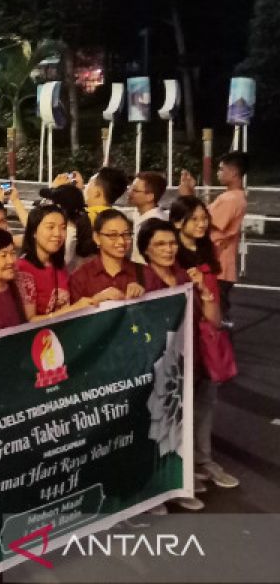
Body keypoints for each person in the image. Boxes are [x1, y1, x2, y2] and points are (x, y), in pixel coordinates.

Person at [136, 217, 219, 513]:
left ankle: (177, 485)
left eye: (171, 242)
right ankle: (153, 491)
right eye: (159, 244)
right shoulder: (141, 279)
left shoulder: (186, 276)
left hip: (188, 362)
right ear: (145, 249)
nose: (168, 249)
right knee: (155, 430)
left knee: (182, 428)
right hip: (156, 367)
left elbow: (212, 319)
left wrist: (204, 291)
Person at [170, 195, 240, 491]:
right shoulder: (169, 255)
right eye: (194, 219)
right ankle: (180, 466)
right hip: (180, 340)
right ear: (177, 223)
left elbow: (215, 305)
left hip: (207, 339)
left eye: (203, 219)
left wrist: (209, 303)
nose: (201, 224)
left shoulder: (207, 251)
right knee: (177, 404)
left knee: (206, 402)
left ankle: (204, 460)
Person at [17, 204, 114, 320]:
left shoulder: (59, 265)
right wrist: (73, 309)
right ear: (34, 232)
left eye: (63, 228)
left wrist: (99, 298)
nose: (58, 234)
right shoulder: (23, 269)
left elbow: (70, 304)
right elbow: (29, 321)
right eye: (50, 227)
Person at [180, 151, 248, 312]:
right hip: (217, 266)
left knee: (214, 315)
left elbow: (202, 222)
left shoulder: (231, 199)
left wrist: (187, 197)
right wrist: (190, 195)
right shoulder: (231, 197)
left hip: (218, 267)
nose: (218, 173)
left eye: (221, 169)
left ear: (234, 172)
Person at [69, 210, 145, 302]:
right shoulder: (79, 278)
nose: (121, 241)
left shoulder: (145, 273)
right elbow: (74, 313)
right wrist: (95, 301)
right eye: (113, 235)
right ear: (97, 238)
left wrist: (144, 297)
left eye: (126, 234)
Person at [127, 171, 167, 264]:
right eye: (130, 188)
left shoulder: (157, 222)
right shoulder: (138, 213)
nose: (129, 192)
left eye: (135, 190)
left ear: (150, 197)